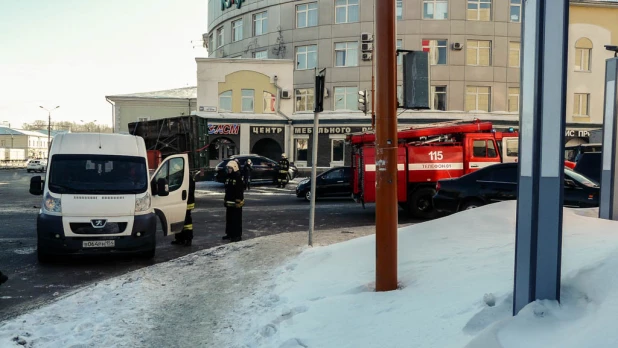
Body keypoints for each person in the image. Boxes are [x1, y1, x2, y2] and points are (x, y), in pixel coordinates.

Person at [171, 171, 196, 246]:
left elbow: (190, 190)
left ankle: (188, 239)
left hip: (187, 202)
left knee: (187, 222)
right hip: (180, 201)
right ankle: (179, 238)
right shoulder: (180, 176)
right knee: (178, 220)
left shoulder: (188, 178)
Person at [223, 161, 244, 242]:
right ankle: (230, 234)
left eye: (230, 168)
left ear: (234, 168)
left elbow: (239, 191)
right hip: (229, 203)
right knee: (229, 219)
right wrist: (225, 200)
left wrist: (238, 201)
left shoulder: (238, 177)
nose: (228, 170)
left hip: (236, 203)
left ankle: (237, 235)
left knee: (236, 220)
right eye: (228, 168)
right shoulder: (228, 177)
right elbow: (227, 190)